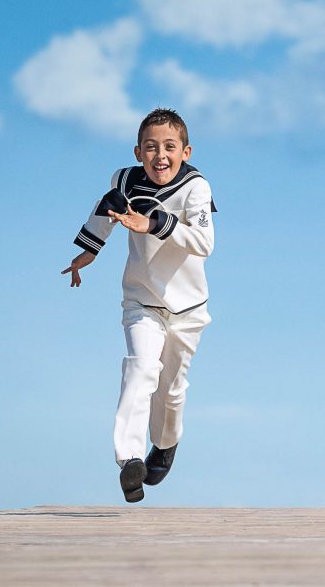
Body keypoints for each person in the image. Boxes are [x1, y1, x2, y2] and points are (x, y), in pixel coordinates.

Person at [62, 108, 216, 503]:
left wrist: (154, 223)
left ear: (186, 151)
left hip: (187, 309)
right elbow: (106, 209)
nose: (159, 156)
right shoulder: (125, 180)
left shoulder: (196, 188)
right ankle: (129, 458)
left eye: (169, 147)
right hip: (142, 301)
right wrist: (89, 251)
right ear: (137, 152)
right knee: (141, 368)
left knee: (170, 390)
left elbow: (204, 243)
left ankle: (165, 444)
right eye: (150, 147)